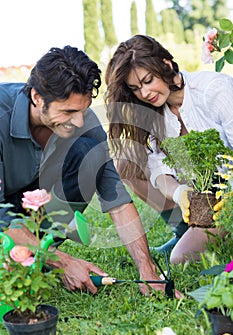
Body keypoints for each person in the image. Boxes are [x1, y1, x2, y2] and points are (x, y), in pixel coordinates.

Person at [0, 45, 182, 298]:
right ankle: (32, 256)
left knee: (87, 149)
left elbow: (117, 201)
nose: (79, 122)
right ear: (37, 97)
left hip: (28, 208)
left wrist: (147, 269)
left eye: (83, 110)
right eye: (68, 112)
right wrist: (64, 262)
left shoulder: (83, 124)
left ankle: (35, 254)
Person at [105, 34, 233, 264]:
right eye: (135, 88)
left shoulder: (214, 91)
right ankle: (183, 229)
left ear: (166, 64)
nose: (144, 93)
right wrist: (180, 194)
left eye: (148, 80)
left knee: (180, 259)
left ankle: (215, 230)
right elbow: (158, 168)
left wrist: (228, 202)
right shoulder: (155, 114)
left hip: (229, 199)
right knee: (125, 164)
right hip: (204, 200)